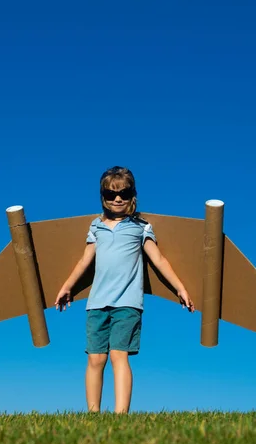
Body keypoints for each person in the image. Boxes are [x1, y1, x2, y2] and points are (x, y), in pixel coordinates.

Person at [54, 166, 194, 414]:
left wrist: (180, 288)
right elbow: (84, 260)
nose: (117, 199)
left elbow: (159, 260)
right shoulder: (96, 227)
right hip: (96, 303)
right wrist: (67, 286)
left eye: (124, 193)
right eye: (110, 194)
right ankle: (93, 414)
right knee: (96, 359)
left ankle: (120, 416)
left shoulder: (141, 227)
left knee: (119, 355)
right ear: (103, 197)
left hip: (127, 304)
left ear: (133, 195)